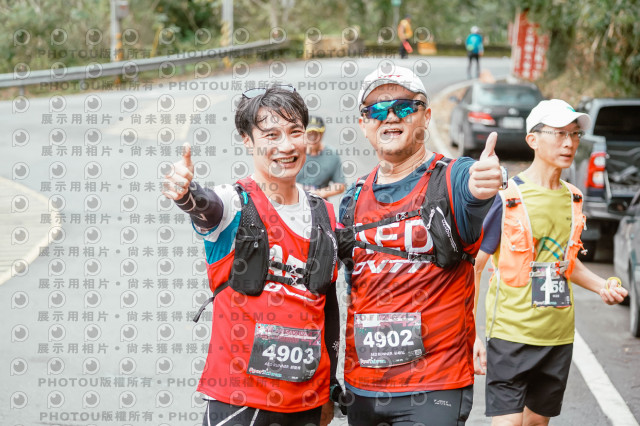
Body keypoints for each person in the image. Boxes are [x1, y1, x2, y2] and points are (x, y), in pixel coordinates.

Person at [161, 85, 343, 426]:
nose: (286, 146)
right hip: (239, 403)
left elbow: (328, 308)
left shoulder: (325, 215)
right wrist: (187, 194)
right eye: (271, 135)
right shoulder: (234, 203)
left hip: (307, 402)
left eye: (295, 132)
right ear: (247, 140)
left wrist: (330, 387)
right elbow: (207, 207)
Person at [336, 65, 504, 425]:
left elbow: (474, 188)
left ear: (426, 117)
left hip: (434, 383)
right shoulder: (352, 198)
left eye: (403, 106)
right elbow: (351, 285)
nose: (390, 116)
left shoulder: (452, 178)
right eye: (376, 110)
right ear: (364, 124)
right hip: (364, 385)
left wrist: (483, 183)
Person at [473, 99, 628, 426]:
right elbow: (475, 266)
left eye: (574, 134)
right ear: (533, 139)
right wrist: (471, 334)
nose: (569, 143)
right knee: (509, 423)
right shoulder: (507, 197)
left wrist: (603, 286)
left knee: (536, 423)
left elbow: (567, 264)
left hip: (557, 337)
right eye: (559, 133)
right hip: (510, 334)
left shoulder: (573, 197)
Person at [296, 115, 346, 200]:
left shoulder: (332, 155)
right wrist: (300, 188)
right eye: (309, 133)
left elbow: (340, 185)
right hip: (294, 201)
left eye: (316, 133)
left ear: (322, 133)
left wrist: (319, 193)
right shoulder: (294, 152)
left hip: (319, 204)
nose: (312, 137)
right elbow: (281, 179)